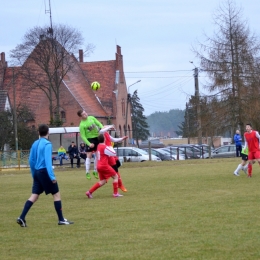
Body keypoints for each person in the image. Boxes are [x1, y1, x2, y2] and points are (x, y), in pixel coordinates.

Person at [16, 124, 73, 227]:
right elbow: (48, 161)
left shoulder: (35, 143)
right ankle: (61, 220)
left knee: (34, 195)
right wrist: (52, 177)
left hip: (37, 172)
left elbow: (31, 160)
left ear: (38, 133)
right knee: (56, 194)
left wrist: (34, 174)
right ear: (48, 132)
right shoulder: (47, 144)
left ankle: (22, 217)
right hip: (44, 172)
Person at [86, 133, 123, 198]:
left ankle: (89, 192)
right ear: (104, 139)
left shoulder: (98, 146)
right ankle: (115, 193)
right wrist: (110, 147)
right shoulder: (104, 147)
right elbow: (113, 153)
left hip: (99, 166)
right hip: (104, 165)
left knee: (103, 181)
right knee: (116, 176)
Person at [99, 125, 128, 192]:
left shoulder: (106, 133)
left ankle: (110, 174)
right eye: (104, 127)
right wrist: (110, 126)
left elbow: (113, 139)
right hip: (108, 154)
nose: (105, 128)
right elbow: (102, 130)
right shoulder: (101, 133)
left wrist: (122, 138)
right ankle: (120, 185)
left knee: (118, 163)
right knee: (115, 169)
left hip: (111, 152)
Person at [77, 109, 103, 180]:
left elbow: (98, 123)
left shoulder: (91, 118)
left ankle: (95, 171)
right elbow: (83, 136)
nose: (85, 114)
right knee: (89, 155)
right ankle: (87, 172)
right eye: (83, 114)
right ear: (81, 116)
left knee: (98, 155)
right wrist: (88, 143)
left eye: (85, 112)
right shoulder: (82, 125)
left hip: (97, 138)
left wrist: (102, 127)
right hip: (90, 140)